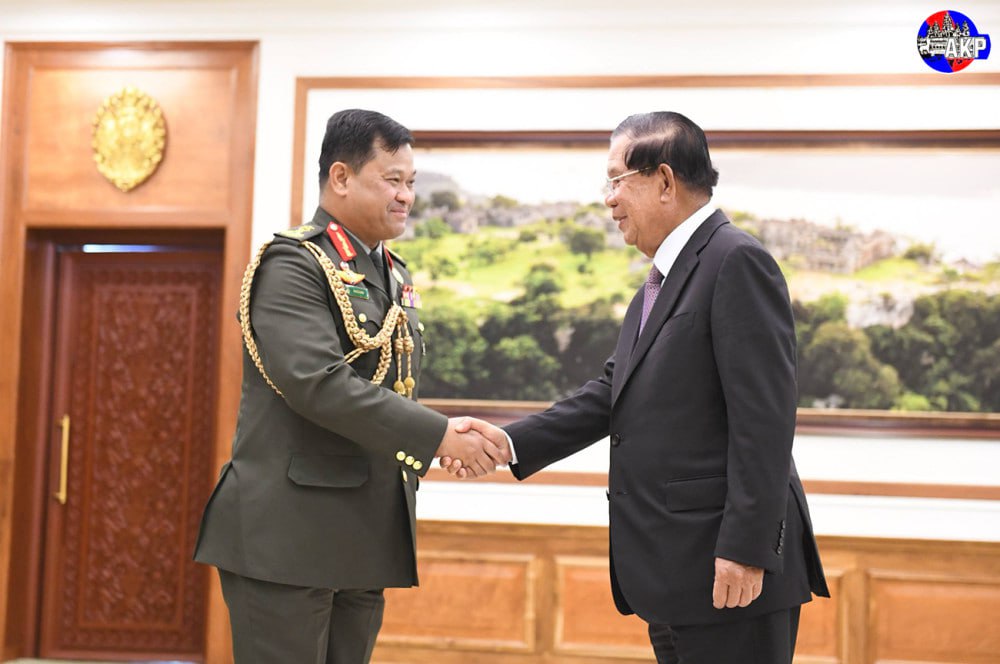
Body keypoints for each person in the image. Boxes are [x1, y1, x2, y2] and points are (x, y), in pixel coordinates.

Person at [445, 111, 829, 664]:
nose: (609, 200)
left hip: (730, 574)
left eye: (616, 180)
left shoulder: (736, 261)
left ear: (665, 181)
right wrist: (507, 442)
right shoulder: (662, 282)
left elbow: (765, 420)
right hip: (677, 573)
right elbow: (612, 393)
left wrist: (746, 550)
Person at [194, 109, 509, 664]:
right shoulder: (292, 264)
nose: (406, 196)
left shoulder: (392, 272)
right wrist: (438, 436)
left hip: (365, 532)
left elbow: (393, 387)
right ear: (340, 177)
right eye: (392, 180)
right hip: (288, 537)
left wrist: (439, 436)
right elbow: (320, 384)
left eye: (411, 182)